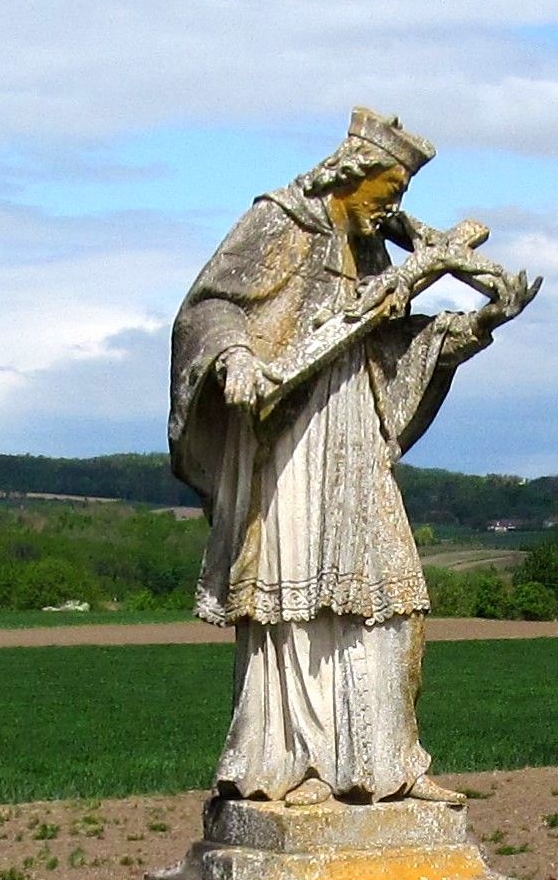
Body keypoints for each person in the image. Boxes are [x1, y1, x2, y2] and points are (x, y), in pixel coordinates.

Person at [167, 108, 533, 804]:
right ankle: (288, 764)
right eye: (387, 192)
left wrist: (480, 324)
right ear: (349, 176)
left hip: (355, 430)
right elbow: (208, 307)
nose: (393, 210)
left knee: (392, 598)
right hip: (290, 436)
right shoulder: (280, 220)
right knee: (295, 592)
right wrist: (235, 356)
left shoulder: (370, 250)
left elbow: (389, 348)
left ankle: (386, 765)